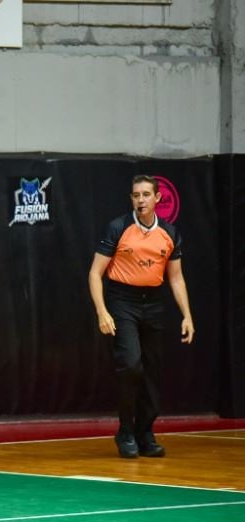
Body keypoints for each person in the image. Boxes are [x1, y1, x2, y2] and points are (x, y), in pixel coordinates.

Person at [88, 175, 195, 459]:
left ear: (158, 198)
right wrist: (102, 311)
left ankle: (145, 433)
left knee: (151, 372)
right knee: (131, 365)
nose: (141, 200)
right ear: (132, 199)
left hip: (154, 304)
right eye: (136, 195)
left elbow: (176, 278)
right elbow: (95, 273)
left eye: (147, 194)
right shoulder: (118, 228)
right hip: (122, 301)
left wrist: (187, 316)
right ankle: (125, 432)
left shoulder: (169, 233)